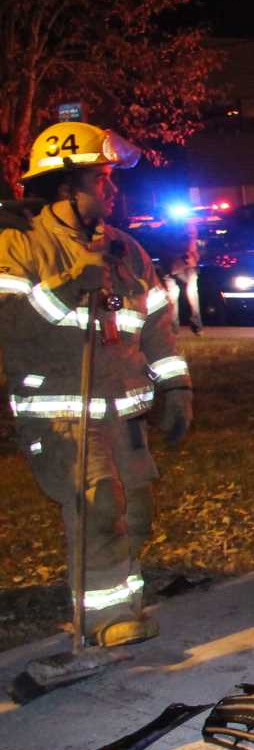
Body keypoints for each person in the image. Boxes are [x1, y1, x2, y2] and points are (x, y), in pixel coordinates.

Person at [0, 122, 192, 670]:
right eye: (101, 179)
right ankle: (101, 622)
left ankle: (123, 602)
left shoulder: (126, 250)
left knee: (135, 514)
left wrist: (175, 385)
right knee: (98, 507)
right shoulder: (17, 244)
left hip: (124, 412)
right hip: (63, 413)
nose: (112, 190)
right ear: (67, 186)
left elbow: (156, 322)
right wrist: (66, 288)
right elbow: (11, 325)